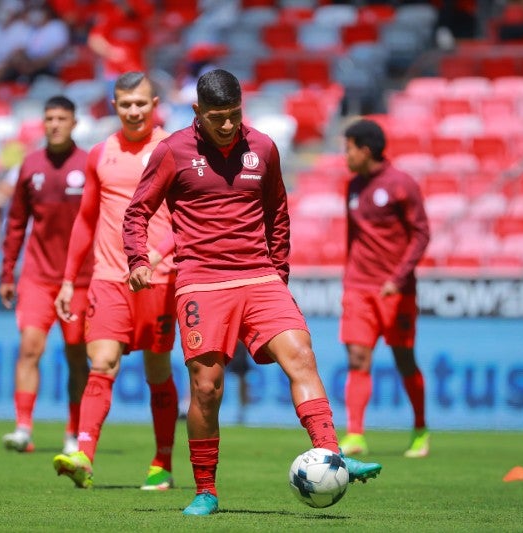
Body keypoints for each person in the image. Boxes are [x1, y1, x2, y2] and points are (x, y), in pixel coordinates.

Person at [121, 69, 381, 516]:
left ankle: (331, 452)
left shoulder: (262, 147)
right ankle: (206, 490)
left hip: (259, 277)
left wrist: (278, 273)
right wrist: (138, 261)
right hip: (201, 280)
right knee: (206, 388)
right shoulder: (171, 152)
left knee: (301, 354)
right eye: (218, 117)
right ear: (197, 112)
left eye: (235, 114)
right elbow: (136, 212)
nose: (227, 125)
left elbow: (278, 212)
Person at [51, 72, 178, 491]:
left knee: (157, 370)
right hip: (108, 278)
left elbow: (187, 218)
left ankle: (162, 463)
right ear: (114, 105)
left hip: (157, 280)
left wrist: (157, 254)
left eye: (141, 103)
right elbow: (86, 220)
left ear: (154, 103)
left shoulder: (173, 149)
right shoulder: (99, 153)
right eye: (125, 104)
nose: (134, 111)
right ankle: (84, 455)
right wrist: (70, 279)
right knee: (101, 363)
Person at [0, 95, 94, 454]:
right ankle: (23, 427)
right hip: (37, 275)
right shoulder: (30, 165)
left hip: (81, 278)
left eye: (61, 118)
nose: (54, 124)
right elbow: (16, 223)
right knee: (29, 348)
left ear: (74, 123)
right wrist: (8, 272)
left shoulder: (89, 164)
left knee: (76, 354)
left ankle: (73, 433)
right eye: (49, 118)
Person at [339, 118, 431, 459]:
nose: (344, 156)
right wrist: (348, 277)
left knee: (403, 359)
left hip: (396, 289)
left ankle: (420, 428)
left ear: (365, 150)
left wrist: (399, 277)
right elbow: (354, 236)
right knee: (358, 357)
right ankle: (355, 434)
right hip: (359, 286)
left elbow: (421, 234)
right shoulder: (352, 186)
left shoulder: (401, 185)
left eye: (348, 149)